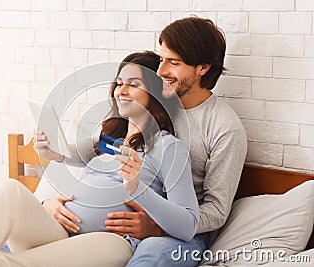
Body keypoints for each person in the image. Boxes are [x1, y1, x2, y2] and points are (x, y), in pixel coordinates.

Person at [0, 51, 199, 267]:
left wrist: (138, 189)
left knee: (4, 261)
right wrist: (51, 161)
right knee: (11, 191)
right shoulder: (108, 138)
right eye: (119, 83)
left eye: (133, 84)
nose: (121, 90)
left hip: (110, 242)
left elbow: (187, 226)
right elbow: (68, 152)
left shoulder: (168, 147)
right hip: (59, 230)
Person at [35, 17, 247, 267]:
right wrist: (57, 154)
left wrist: (158, 225)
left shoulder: (224, 127)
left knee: (153, 253)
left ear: (203, 67)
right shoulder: (147, 107)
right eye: (161, 60)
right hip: (122, 220)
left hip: (179, 232)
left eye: (173, 63)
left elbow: (217, 209)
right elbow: (99, 147)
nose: (160, 71)